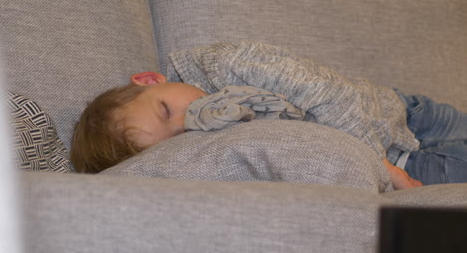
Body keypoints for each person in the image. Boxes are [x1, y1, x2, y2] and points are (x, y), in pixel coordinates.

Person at [70, 41, 467, 190]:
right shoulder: (221, 145)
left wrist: (382, 165)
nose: (188, 118)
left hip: (400, 115)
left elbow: (328, 95)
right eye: (178, 134)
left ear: (149, 79)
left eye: (165, 109)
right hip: (404, 161)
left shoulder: (229, 63)